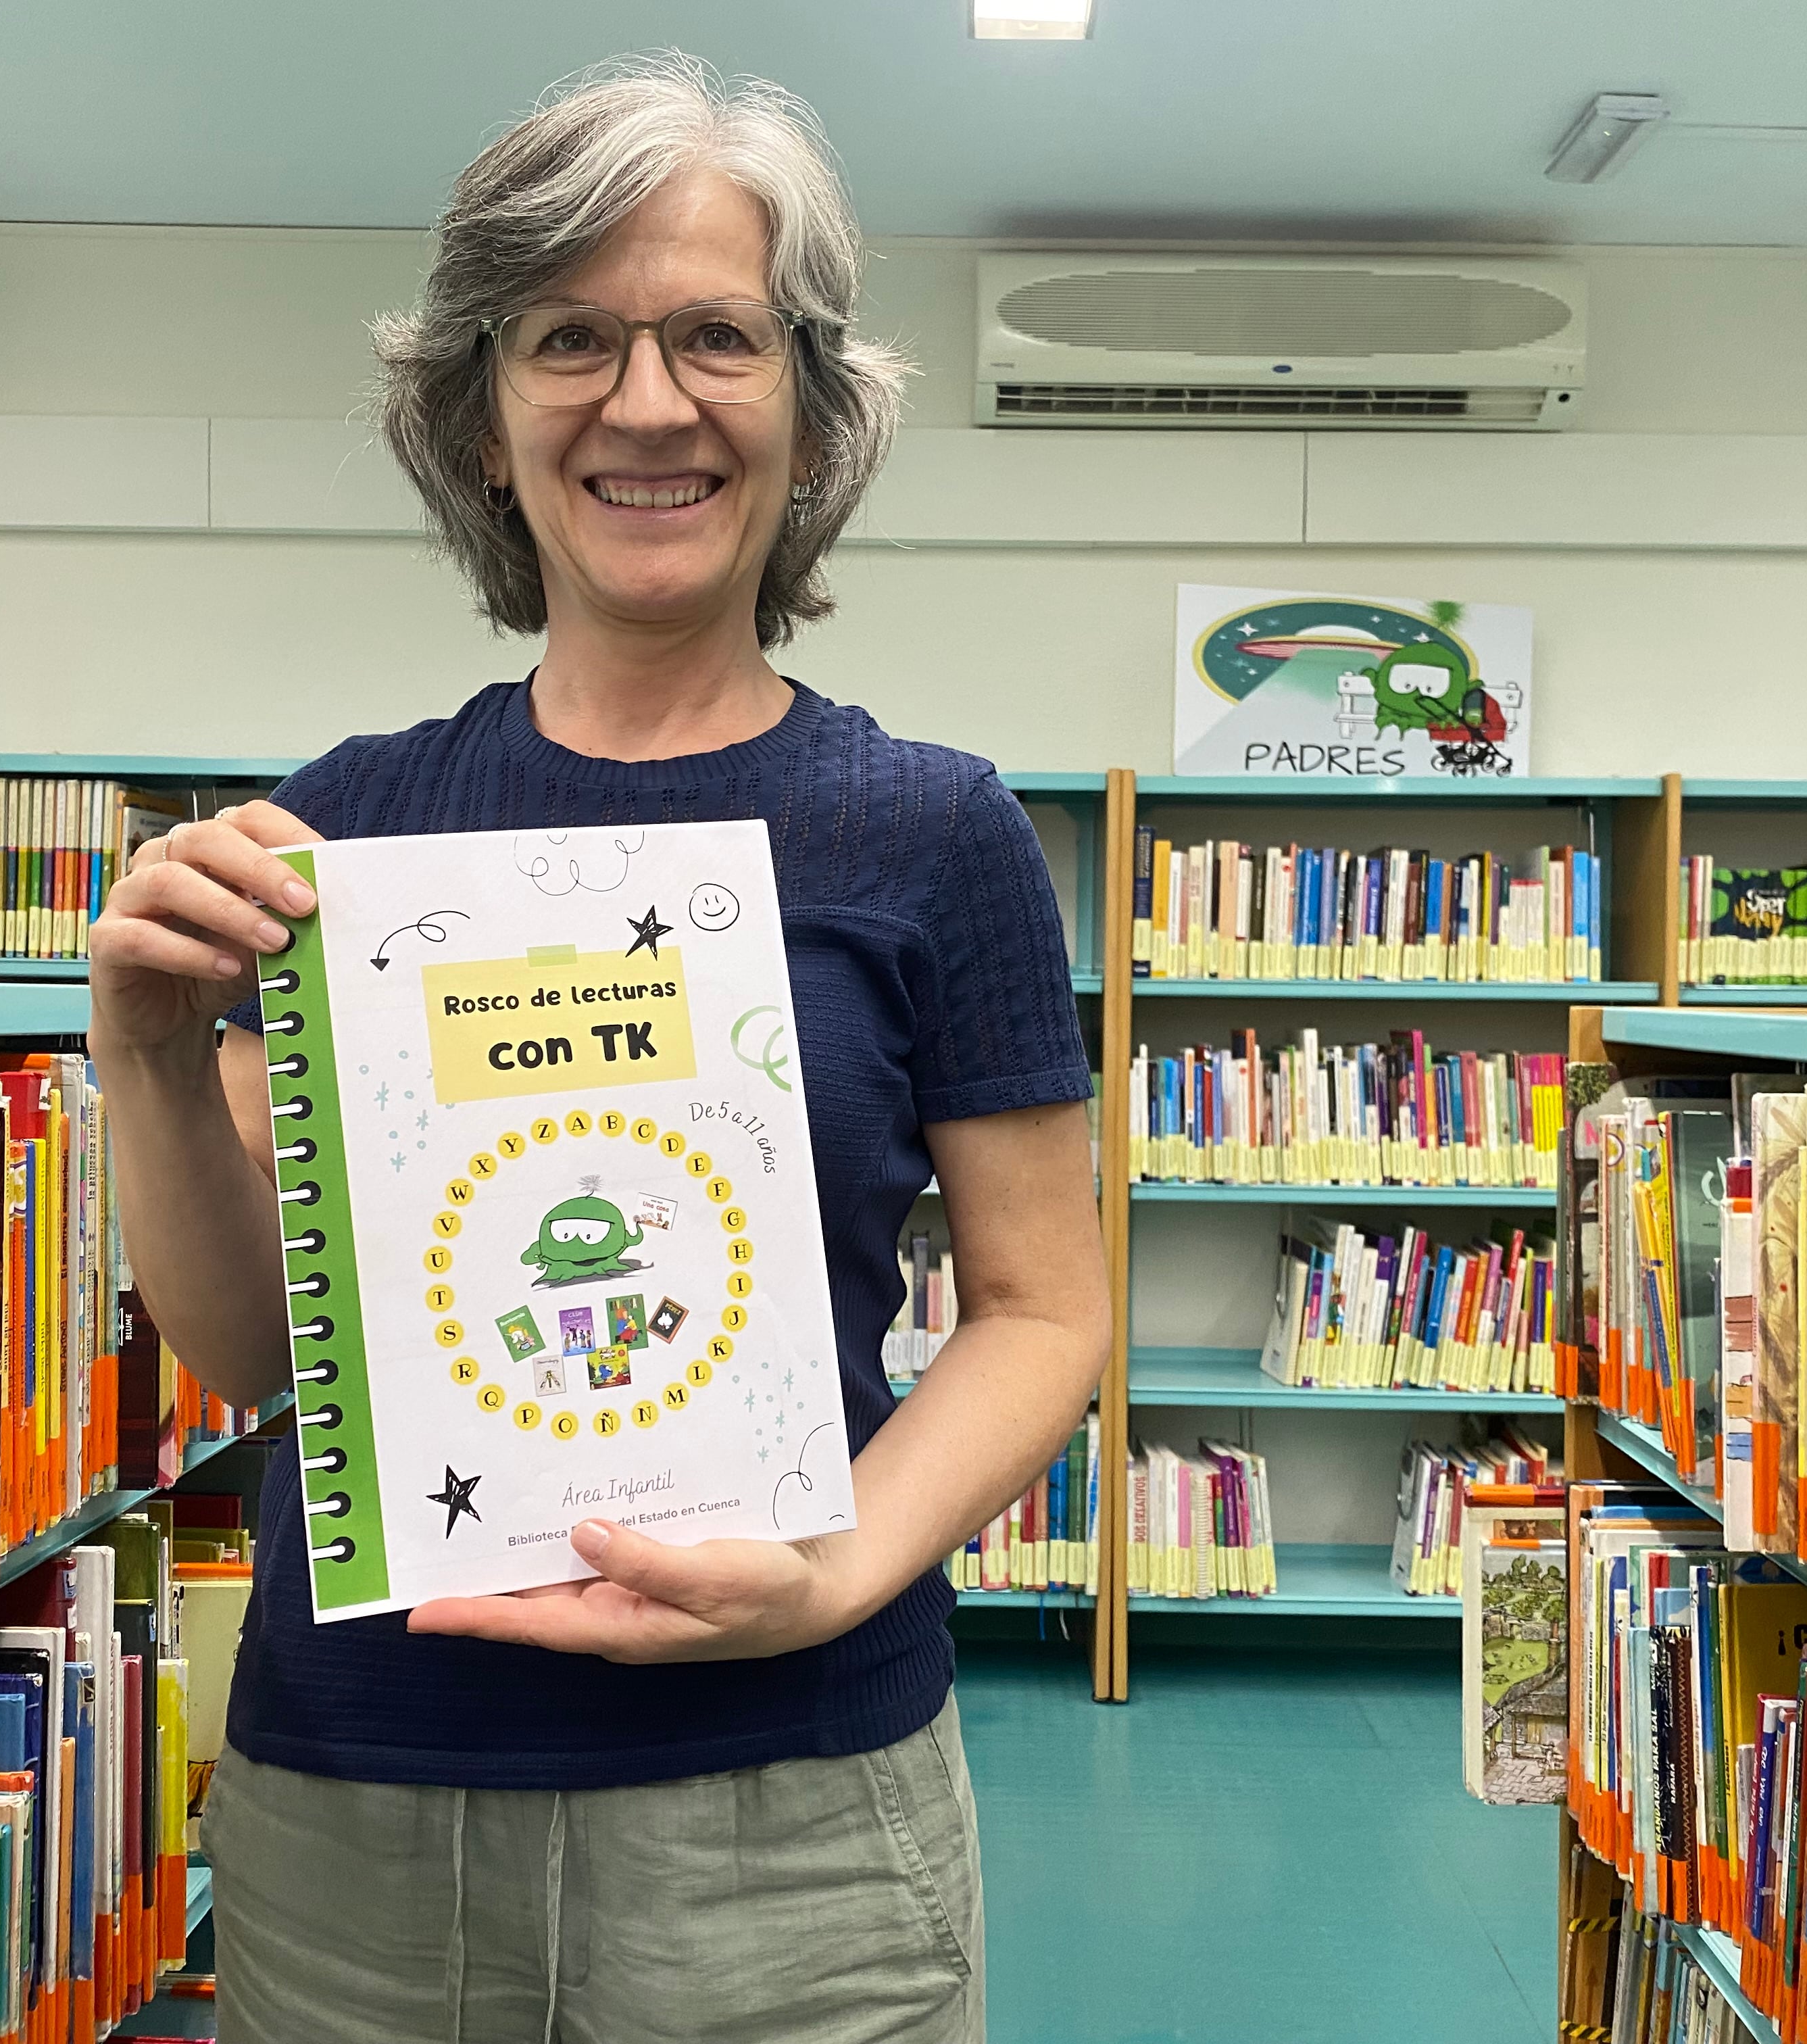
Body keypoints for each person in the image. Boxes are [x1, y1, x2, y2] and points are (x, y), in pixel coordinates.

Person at [87, 52, 1109, 2044]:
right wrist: (141, 1049)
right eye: (572, 338)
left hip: (802, 1815)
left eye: (716, 335)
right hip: (364, 1803)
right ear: (480, 417)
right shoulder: (343, 836)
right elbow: (254, 1354)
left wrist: (841, 1573)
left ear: (812, 416)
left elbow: (1041, 1311)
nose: (648, 402)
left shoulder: (937, 832)